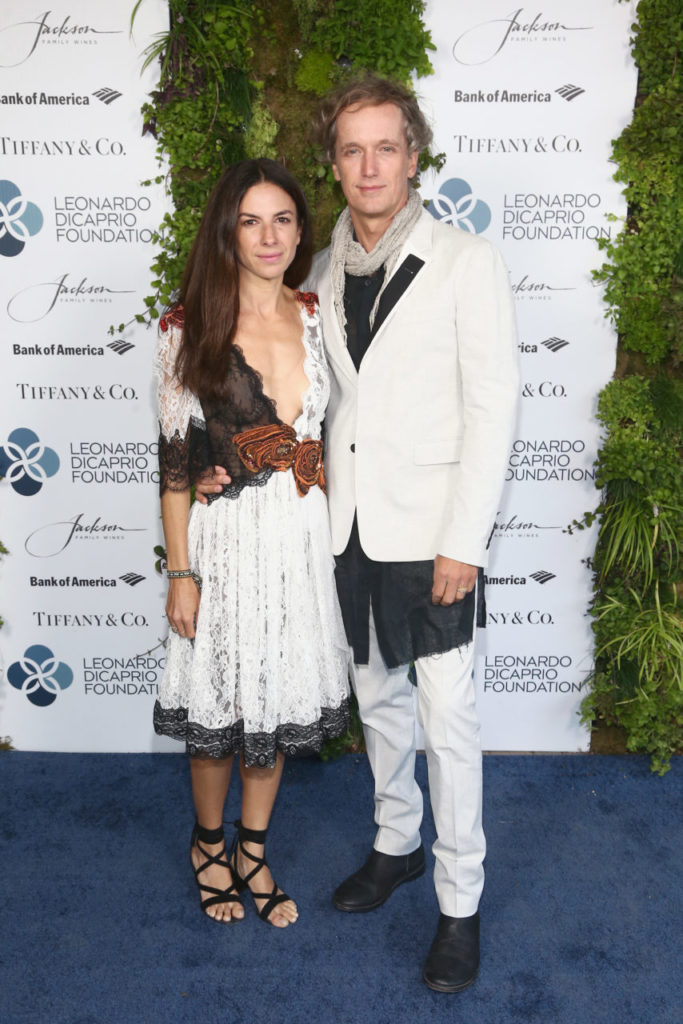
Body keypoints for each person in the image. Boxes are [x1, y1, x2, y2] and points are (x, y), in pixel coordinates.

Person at [196, 76, 518, 989]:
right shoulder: (318, 273)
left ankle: (459, 903)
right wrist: (222, 462)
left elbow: (492, 409)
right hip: (344, 532)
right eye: (350, 149)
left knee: (446, 720)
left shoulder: (467, 260)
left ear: (414, 156)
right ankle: (394, 843)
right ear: (333, 165)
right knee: (377, 706)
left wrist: (466, 542)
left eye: (386, 146)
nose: (369, 165)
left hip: (435, 538)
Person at [153, 158, 351, 929]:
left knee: (269, 708)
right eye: (251, 220)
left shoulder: (315, 317)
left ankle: (254, 850)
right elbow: (174, 470)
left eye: (283, 220)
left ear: (301, 231)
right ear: (226, 232)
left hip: (301, 540)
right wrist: (181, 573)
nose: (269, 236)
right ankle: (209, 845)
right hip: (225, 542)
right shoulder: (185, 330)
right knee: (220, 703)